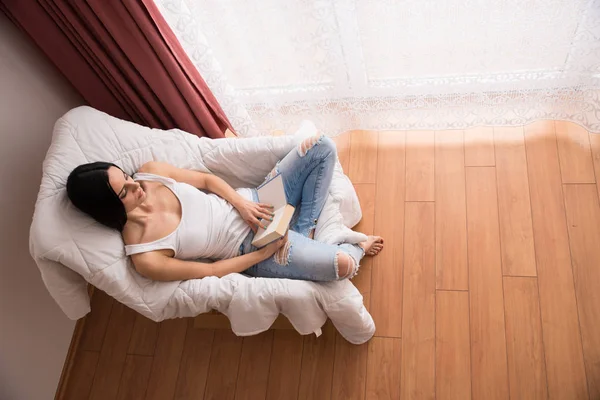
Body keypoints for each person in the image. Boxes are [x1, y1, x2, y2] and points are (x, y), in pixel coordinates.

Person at [66, 134, 383, 282]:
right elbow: (210, 270)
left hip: (257, 201)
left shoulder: (150, 172)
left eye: (126, 177)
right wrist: (262, 254)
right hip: (250, 249)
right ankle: (354, 245)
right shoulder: (145, 256)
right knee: (342, 265)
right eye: (125, 191)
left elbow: (205, 181)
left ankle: (302, 230)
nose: (136, 185)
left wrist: (243, 204)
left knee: (321, 146)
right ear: (110, 208)